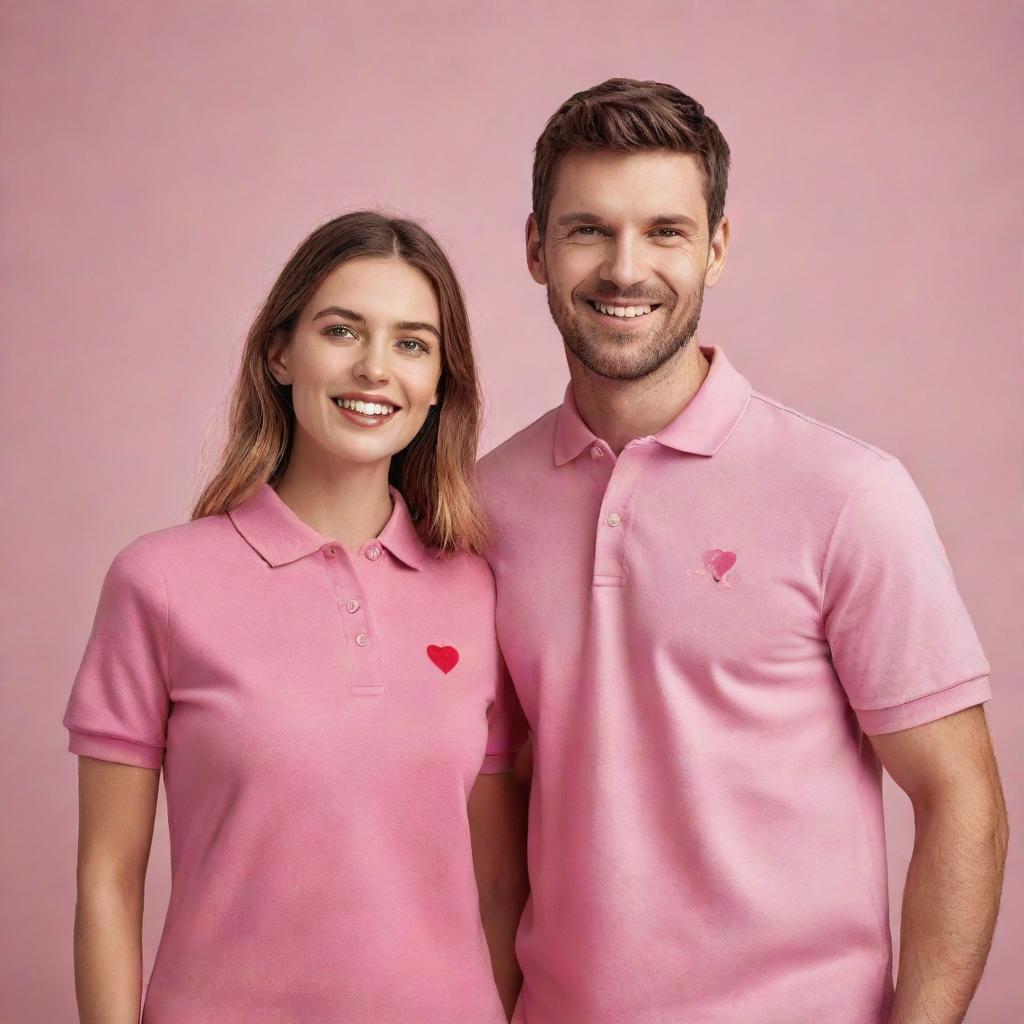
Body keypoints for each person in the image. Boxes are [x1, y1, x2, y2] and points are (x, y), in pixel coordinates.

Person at [477, 78, 1008, 1024]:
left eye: (667, 231)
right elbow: (495, 798)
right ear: (535, 248)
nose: (625, 268)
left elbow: (960, 797)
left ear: (717, 249)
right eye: (588, 229)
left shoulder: (846, 493)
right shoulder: (483, 506)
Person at [63, 211, 529, 1024]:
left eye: (412, 344)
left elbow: (497, 885)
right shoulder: (160, 582)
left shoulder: (476, 592)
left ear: (439, 382)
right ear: (281, 353)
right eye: (342, 331)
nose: (376, 368)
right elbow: (109, 879)